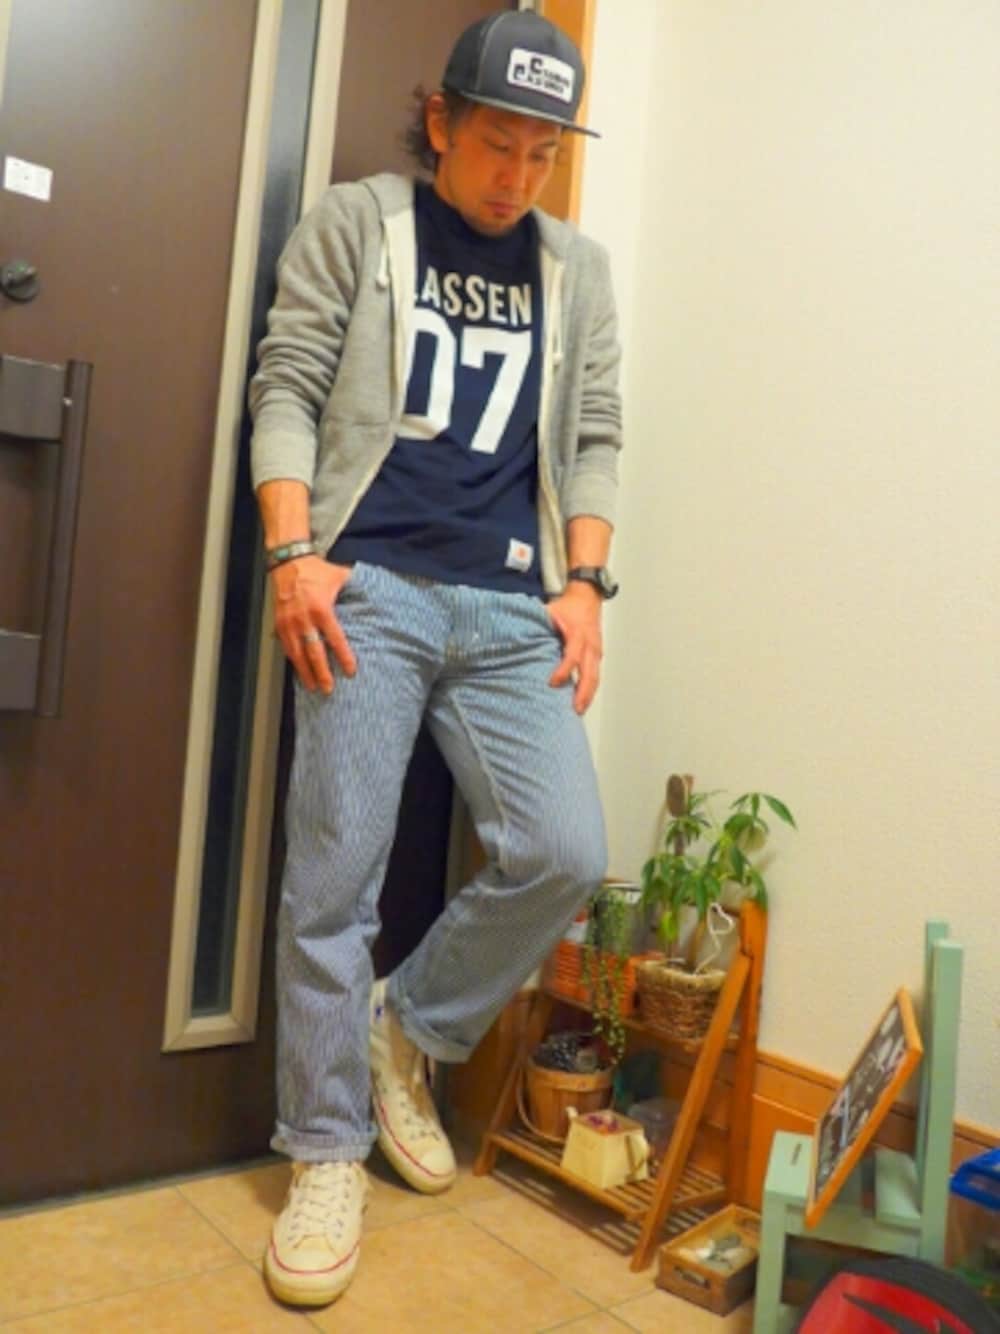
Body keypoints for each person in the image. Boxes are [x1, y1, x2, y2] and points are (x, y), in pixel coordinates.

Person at [249, 8, 623, 1308]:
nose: (518, 176)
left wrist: (586, 584)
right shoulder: (360, 223)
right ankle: (324, 1151)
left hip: (516, 606)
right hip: (372, 586)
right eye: (498, 144)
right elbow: (287, 385)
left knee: (565, 849)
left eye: (543, 155)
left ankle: (403, 1028)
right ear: (442, 121)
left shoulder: (578, 269)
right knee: (334, 878)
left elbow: (597, 432)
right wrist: (293, 553)